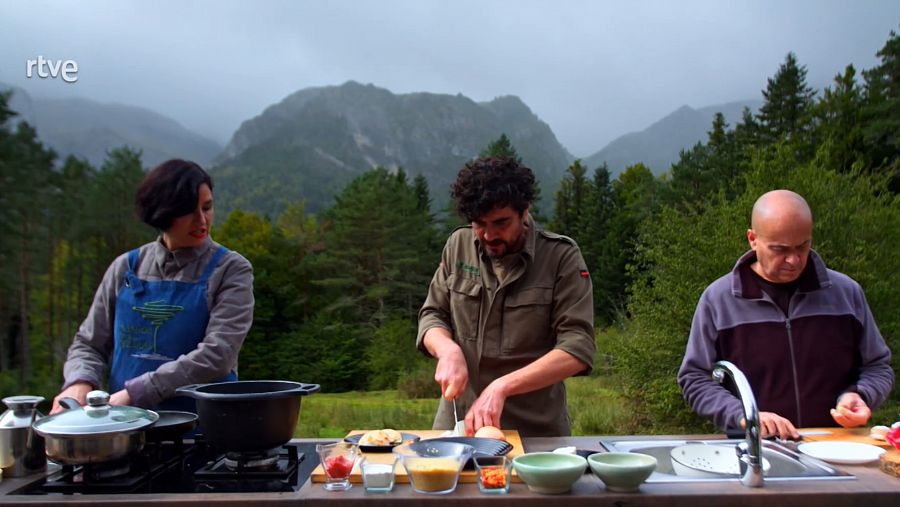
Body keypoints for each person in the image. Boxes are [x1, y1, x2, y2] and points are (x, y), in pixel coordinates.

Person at [678, 189, 893, 440]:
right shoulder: (718, 299)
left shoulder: (846, 293)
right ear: (753, 239)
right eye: (780, 249)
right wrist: (744, 414)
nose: (793, 260)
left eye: (803, 246)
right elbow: (695, 378)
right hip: (755, 450)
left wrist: (861, 394)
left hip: (836, 447)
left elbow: (878, 367)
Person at [51, 159, 254, 413]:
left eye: (207, 207)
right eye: (188, 211)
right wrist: (80, 381)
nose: (202, 220)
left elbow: (218, 355)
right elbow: (89, 343)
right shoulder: (125, 267)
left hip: (205, 428)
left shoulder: (230, 269)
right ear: (163, 212)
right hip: (124, 427)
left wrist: (136, 392)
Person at [417, 156, 595, 437]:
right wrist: (447, 350)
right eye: (479, 223)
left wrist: (502, 386)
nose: (489, 235)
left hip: (535, 432)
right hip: (458, 425)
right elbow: (432, 315)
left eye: (501, 222)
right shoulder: (458, 245)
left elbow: (578, 348)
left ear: (525, 210)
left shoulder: (561, 257)